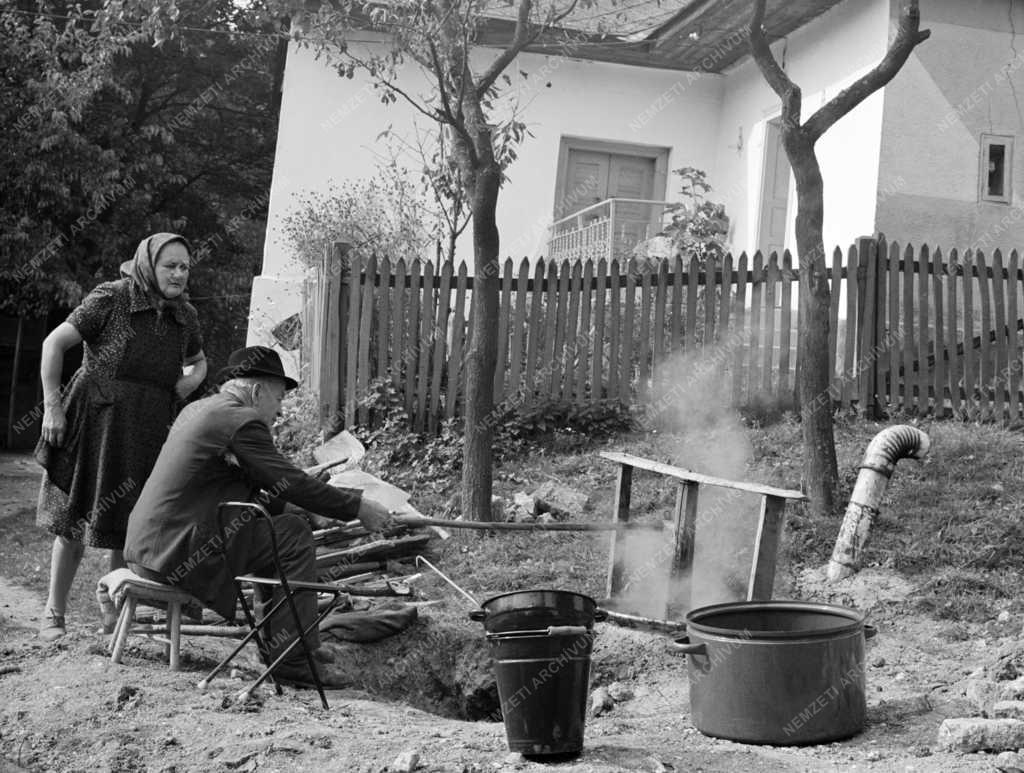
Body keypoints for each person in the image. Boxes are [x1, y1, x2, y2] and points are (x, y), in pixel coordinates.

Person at [123, 345, 393, 685]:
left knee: (282, 528)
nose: (279, 411)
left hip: (149, 547)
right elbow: (289, 480)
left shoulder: (201, 410)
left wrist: (303, 507)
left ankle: (287, 646)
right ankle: (291, 660)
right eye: (279, 399)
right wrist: (357, 506)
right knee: (292, 535)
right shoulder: (241, 420)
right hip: (176, 552)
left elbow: (251, 482)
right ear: (256, 391)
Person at [36, 232, 207, 641]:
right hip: (94, 422)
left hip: (148, 429)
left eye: (185, 267)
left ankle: (114, 618)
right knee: (73, 523)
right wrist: (52, 406)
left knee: (129, 527)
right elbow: (53, 343)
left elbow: (199, 361)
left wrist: (187, 384)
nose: (179, 274)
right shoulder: (112, 298)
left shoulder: (185, 317)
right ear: (149, 264)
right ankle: (52, 615)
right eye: (171, 265)